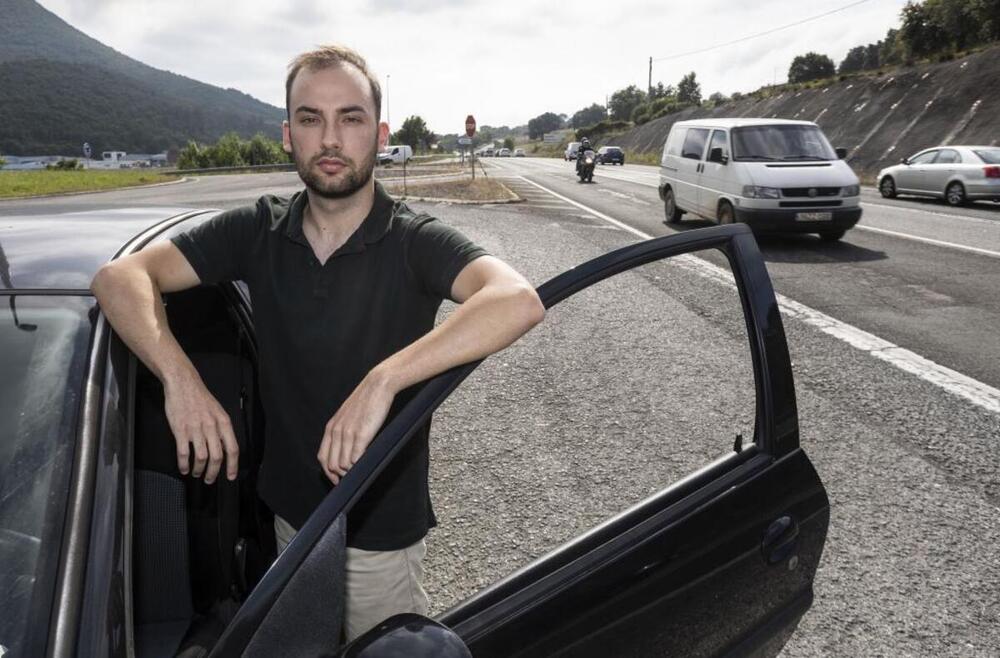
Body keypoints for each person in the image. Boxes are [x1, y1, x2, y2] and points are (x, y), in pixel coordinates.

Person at [90, 44, 545, 642]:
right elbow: (119, 278)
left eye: (350, 118)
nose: (330, 139)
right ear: (288, 134)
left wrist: (383, 379)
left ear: (379, 133)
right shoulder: (257, 227)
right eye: (311, 119)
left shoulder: (413, 239)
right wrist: (181, 380)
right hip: (289, 521)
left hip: (379, 532)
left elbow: (517, 300)